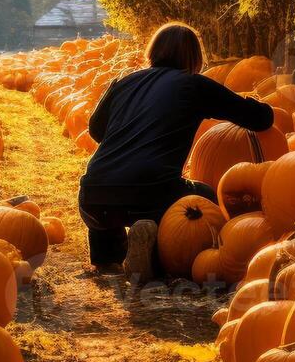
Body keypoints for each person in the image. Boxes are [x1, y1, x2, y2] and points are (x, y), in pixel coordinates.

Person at [79, 22, 274, 282]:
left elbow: (96, 130)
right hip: (152, 193)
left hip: (93, 197)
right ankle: (157, 254)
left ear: (153, 51)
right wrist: (261, 100)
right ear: (195, 57)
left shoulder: (123, 83)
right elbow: (259, 119)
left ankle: (110, 257)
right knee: (204, 198)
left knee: (108, 201)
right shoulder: (194, 86)